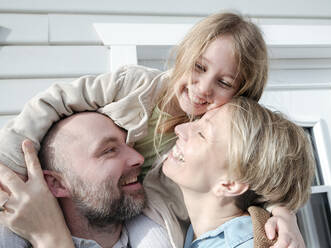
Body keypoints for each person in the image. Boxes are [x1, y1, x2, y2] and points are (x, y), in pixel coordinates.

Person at [0, 11, 305, 246]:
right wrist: (8, 163)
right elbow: (56, 100)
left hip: (150, 211)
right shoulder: (136, 84)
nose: (203, 87)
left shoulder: (216, 136)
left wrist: (283, 213)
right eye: (199, 67)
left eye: (224, 82)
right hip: (85, 191)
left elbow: (257, 169)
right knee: (10, 224)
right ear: (185, 54)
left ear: (241, 93)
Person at [0, 112, 173, 248]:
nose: (138, 158)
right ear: (57, 183)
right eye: (109, 150)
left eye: (129, 145)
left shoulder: (177, 234)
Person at [162, 97, 315, 247]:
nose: (180, 129)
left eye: (202, 134)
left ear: (229, 184)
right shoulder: (194, 232)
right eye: (198, 120)